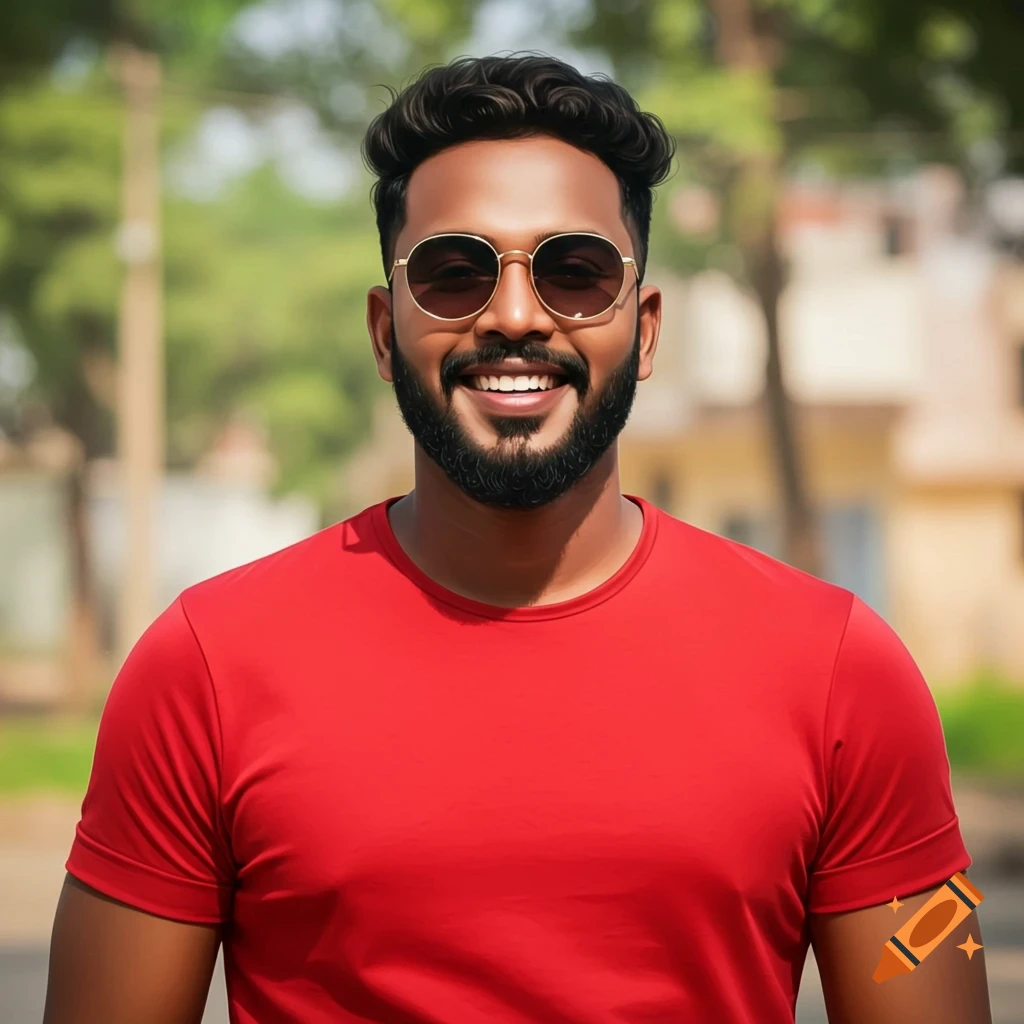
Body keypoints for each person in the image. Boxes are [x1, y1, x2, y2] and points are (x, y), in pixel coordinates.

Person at [44, 54, 991, 1024]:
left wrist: (940, 923)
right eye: (453, 273)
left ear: (646, 326)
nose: (512, 313)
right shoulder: (206, 666)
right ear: (382, 329)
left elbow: (932, 953)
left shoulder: (841, 670)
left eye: (574, 271)